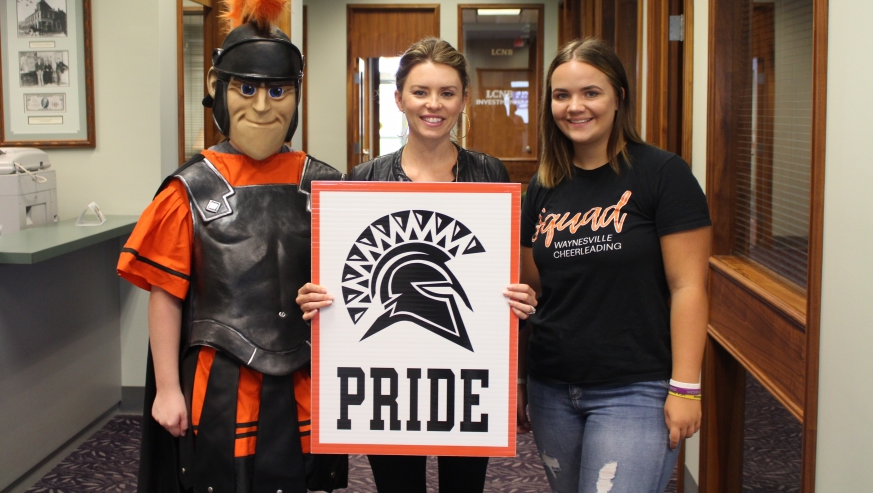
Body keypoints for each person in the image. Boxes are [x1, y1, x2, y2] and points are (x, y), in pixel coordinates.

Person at [117, 0, 346, 493]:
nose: (263, 107)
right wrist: (168, 388)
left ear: (295, 95)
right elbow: (167, 297)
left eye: (277, 90)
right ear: (219, 91)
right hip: (220, 380)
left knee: (304, 480)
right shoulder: (188, 190)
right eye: (247, 88)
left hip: (306, 375)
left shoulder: (326, 185)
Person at [296, 37, 538, 493]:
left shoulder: (491, 174)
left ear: (464, 99)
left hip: (469, 375)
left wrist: (521, 296)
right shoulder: (364, 180)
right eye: (421, 91)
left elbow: (505, 276)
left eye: (447, 93)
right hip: (386, 376)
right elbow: (346, 275)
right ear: (399, 98)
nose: (434, 104)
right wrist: (316, 295)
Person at [517, 37, 711, 493]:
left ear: (618, 96)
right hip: (552, 387)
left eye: (590, 92)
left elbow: (689, 286)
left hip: (635, 388)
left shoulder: (662, 174)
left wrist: (686, 386)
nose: (574, 107)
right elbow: (531, 293)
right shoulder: (543, 187)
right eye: (561, 95)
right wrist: (521, 377)